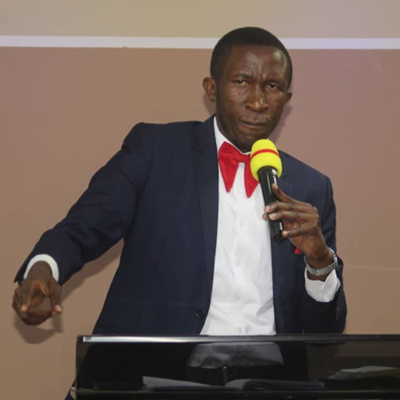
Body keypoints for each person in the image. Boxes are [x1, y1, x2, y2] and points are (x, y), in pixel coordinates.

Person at [13, 27, 346, 336]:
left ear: (286, 99)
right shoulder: (155, 152)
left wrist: (319, 261)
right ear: (211, 88)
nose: (257, 102)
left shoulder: (312, 188)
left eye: (272, 87)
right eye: (242, 81)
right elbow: (83, 228)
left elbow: (324, 335)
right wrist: (44, 269)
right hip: (158, 369)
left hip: (267, 372)